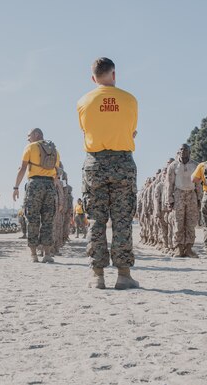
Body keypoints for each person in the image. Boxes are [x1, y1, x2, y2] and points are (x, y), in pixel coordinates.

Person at [77, 57, 139, 290]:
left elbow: (85, 129)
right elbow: (132, 131)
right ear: (114, 74)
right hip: (123, 161)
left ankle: (97, 275)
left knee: (96, 220)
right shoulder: (130, 100)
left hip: (95, 163)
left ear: (93, 78)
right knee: (122, 219)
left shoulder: (83, 101)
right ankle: (123, 274)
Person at [12, 128, 60, 264]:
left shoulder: (31, 147)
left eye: (29, 136)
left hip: (34, 185)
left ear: (37, 135)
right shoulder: (54, 150)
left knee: (32, 219)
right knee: (48, 219)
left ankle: (33, 254)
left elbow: (22, 168)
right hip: (50, 185)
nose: (28, 138)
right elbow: (56, 173)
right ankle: (47, 254)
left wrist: (16, 187)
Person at [166, 144, 201, 258]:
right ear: (178, 151)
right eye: (181, 149)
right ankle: (179, 249)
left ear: (190, 152)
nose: (183, 151)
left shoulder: (195, 165)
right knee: (178, 223)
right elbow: (169, 184)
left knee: (191, 223)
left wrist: (199, 198)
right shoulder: (173, 166)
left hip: (191, 195)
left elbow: (198, 184)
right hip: (178, 195)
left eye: (185, 149)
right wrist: (169, 199)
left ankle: (189, 249)